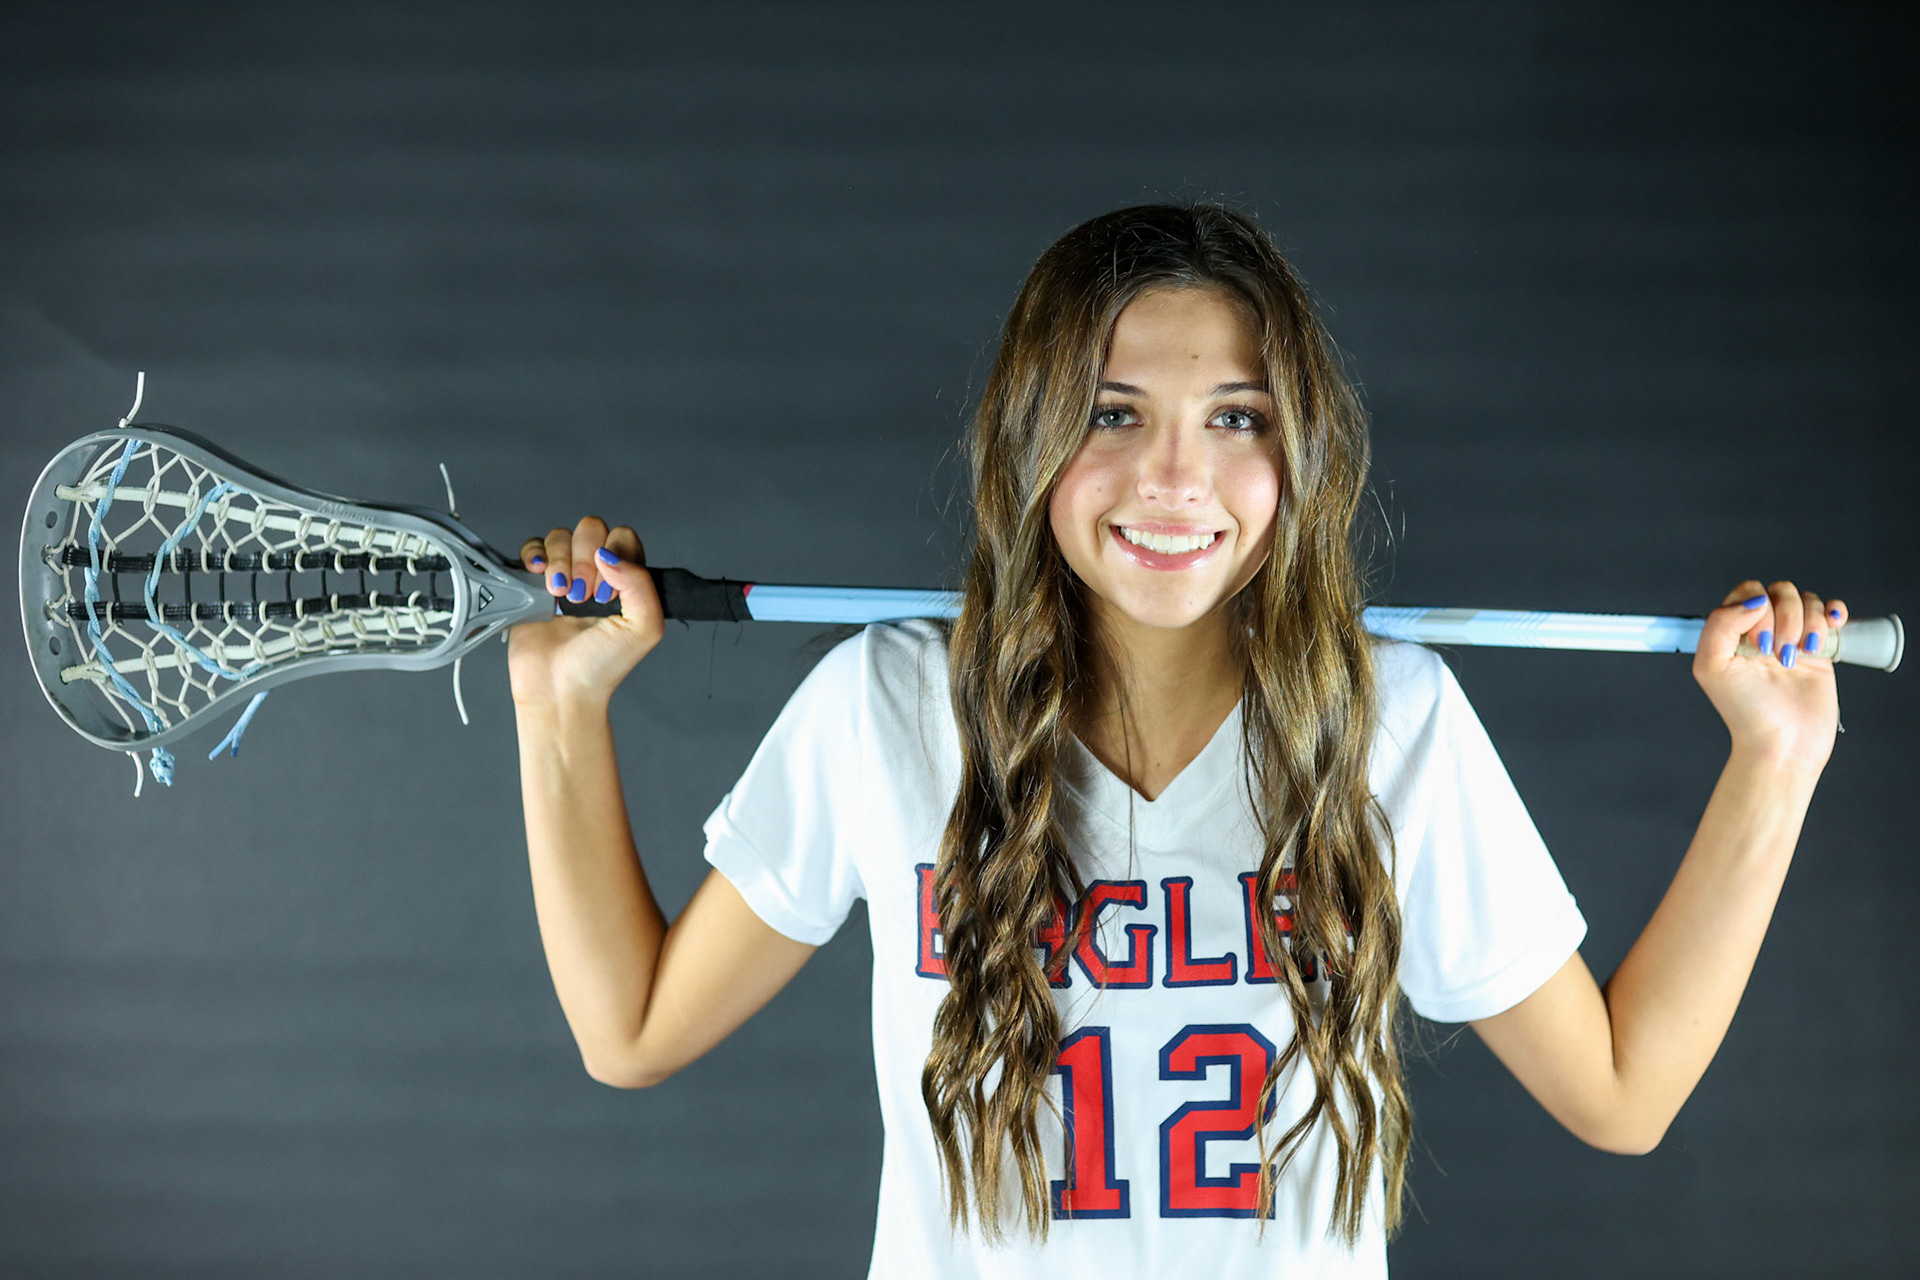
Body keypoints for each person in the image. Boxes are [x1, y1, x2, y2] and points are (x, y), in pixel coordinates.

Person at [506, 204, 1842, 1277]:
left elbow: (1620, 1095)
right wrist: (558, 706)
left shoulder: (1392, 721)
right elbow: (631, 1032)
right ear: (1029, 434)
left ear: (1297, 450)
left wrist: (1774, 762)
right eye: (1112, 411)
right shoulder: (891, 704)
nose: (1174, 479)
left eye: (1237, 418)